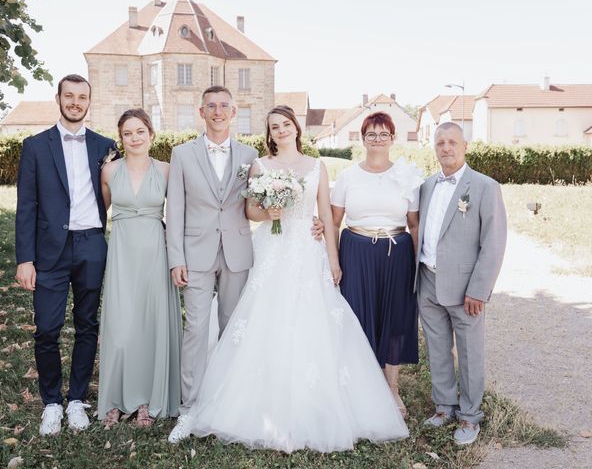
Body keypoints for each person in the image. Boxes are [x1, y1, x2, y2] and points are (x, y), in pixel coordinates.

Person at [168, 105, 409, 452]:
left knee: (314, 321)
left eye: (285, 124)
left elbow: (324, 213)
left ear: (296, 127)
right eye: (274, 126)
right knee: (267, 318)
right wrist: (269, 211)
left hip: (308, 250)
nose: (281, 130)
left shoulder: (317, 167)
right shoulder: (260, 166)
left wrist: (332, 258)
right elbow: (249, 209)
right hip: (271, 249)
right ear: (269, 133)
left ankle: (319, 402)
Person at [166, 88, 325, 441]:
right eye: (211, 106)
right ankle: (190, 408)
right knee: (195, 328)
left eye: (224, 106)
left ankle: (224, 401)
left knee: (233, 327)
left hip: (239, 251)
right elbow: (174, 208)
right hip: (196, 253)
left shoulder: (249, 155)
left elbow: (250, 206)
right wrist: (176, 257)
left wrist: (312, 221)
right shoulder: (182, 154)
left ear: (234, 111)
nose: (218, 111)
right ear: (201, 111)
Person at [15, 74, 117, 435]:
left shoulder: (106, 146)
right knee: (46, 328)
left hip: (92, 244)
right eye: (69, 96)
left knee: (88, 324)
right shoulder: (36, 146)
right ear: (58, 98)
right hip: (49, 251)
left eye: (82, 97)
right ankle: (51, 403)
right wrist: (24, 259)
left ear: (90, 101)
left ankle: (76, 400)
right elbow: (26, 205)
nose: (75, 102)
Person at [416, 121, 507, 445]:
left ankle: (470, 417)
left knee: (469, 354)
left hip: (465, 289)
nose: (446, 148)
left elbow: (493, 244)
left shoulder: (484, 187)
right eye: (440, 142)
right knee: (437, 350)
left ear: (465, 146)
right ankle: (444, 407)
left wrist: (478, 290)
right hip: (427, 281)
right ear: (435, 147)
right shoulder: (426, 185)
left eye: (453, 142)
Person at [331, 111, 423, 418]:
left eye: (384, 134)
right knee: (358, 317)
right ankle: (359, 388)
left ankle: (391, 388)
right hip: (356, 250)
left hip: (397, 252)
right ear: (362, 138)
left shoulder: (407, 175)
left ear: (393, 139)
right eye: (372, 134)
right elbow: (333, 222)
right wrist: (332, 260)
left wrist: (419, 265)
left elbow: (414, 224)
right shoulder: (348, 177)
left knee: (395, 319)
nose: (378, 140)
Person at [97, 109, 182, 427]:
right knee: (120, 325)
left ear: (151, 134)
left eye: (140, 131)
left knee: (150, 325)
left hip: (154, 254)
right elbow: (98, 213)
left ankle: (148, 400)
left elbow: (179, 216)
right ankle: (115, 400)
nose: (134, 138)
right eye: (128, 133)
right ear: (121, 138)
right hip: (121, 253)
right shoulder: (109, 171)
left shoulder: (167, 170)